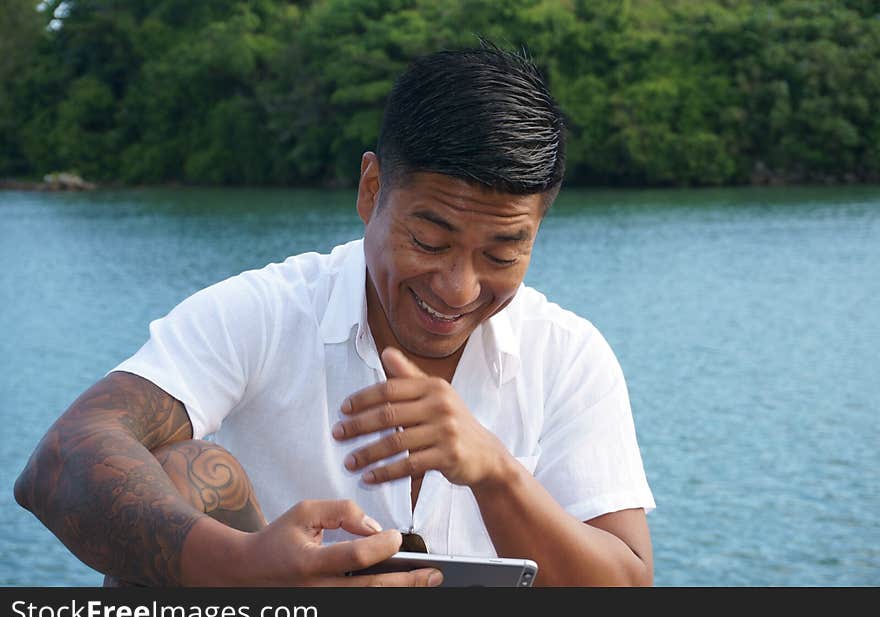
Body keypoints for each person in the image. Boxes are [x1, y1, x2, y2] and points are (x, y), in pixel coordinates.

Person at [14, 43, 656, 587]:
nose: (459, 289)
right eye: (429, 242)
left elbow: (628, 585)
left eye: (501, 252)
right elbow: (62, 459)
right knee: (187, 474)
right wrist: (246, 566)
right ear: (370, 190)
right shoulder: (264, 311)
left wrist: (496, 472)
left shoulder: (569, 354)